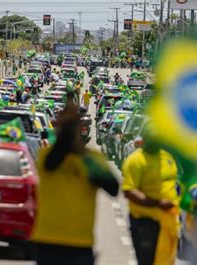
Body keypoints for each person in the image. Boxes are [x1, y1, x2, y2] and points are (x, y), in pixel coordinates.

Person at [32, 94, 119, 265]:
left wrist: (81, 151)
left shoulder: (93, 159)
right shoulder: (46, 155)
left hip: (80, 243)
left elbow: (112, 187)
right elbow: (52, 163)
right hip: (47, 240)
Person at [122, 126, 181, 265]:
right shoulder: (136, 160)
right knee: (148, 261)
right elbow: (129, 191)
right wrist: (157, 203)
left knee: (167, 261)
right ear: (144, 140)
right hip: (146, 222)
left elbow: (175, 182)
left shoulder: (167, 158)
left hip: (169, 221)